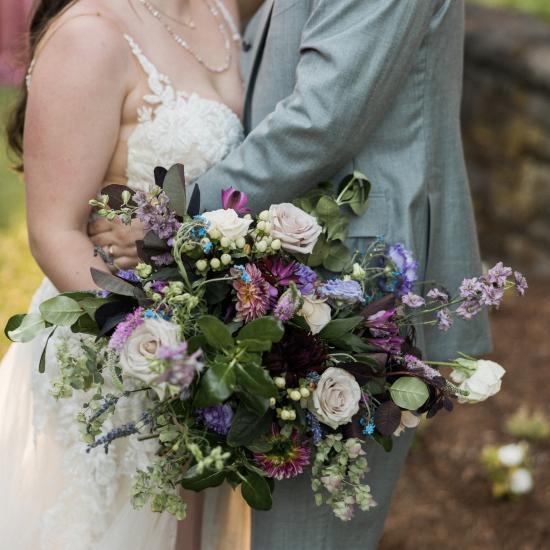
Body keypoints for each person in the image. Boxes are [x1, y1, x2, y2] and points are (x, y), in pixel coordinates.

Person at [188, 1, 493, 548]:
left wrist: (183, 213)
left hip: (355, 278)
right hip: (291, 258)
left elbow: (323, 118)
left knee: (309, 536)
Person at [1, 0, 259, 548]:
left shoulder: (223, 11)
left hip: (210, 350)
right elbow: (54, 233)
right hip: (119, 348)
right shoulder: (90, 36)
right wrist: (151, 343)